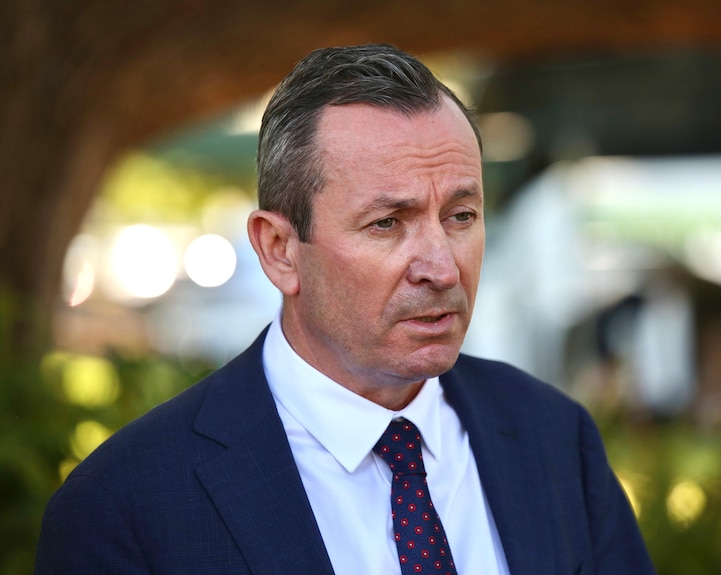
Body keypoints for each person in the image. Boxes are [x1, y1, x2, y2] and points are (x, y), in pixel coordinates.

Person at [35, 44, 654, 575]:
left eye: (461, 216)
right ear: (279, 250)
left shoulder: (555, 439)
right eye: (388, 223)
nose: (441, 267)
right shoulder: (127, 505)